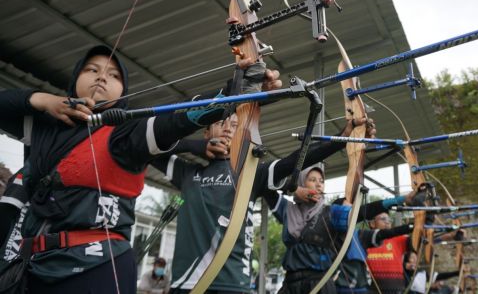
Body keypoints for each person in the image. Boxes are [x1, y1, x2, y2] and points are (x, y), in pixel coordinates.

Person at [0, 45, 279, 294]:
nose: (101, 77)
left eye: (113, 75)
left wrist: (236, 90)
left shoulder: (123, 134)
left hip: (95, 268)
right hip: (33, 268)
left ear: (123, 92)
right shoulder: (45, 129)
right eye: (92, 69)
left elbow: (176, 121)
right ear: (76, 79)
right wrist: (42, 99)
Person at [149, 113, 375, 293]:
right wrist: (195, 145)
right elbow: (148, 145)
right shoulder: (186, 172)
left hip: (233, 282)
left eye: (236, 125)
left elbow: (294, 160)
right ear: (207, 131)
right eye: (220, 122)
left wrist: (342, 137)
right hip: (186, 283)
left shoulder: (252, 174)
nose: (228, 128)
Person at [264, 166, 422, 294]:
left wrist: (400, 199)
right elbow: (266, 183)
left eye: (321, 181)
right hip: (290, 284)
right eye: (312, 180)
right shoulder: (287, 210)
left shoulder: (332, 212)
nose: (319, 184)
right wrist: (293, 188)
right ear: (301, 183)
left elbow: (360, 212)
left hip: (320, 285)